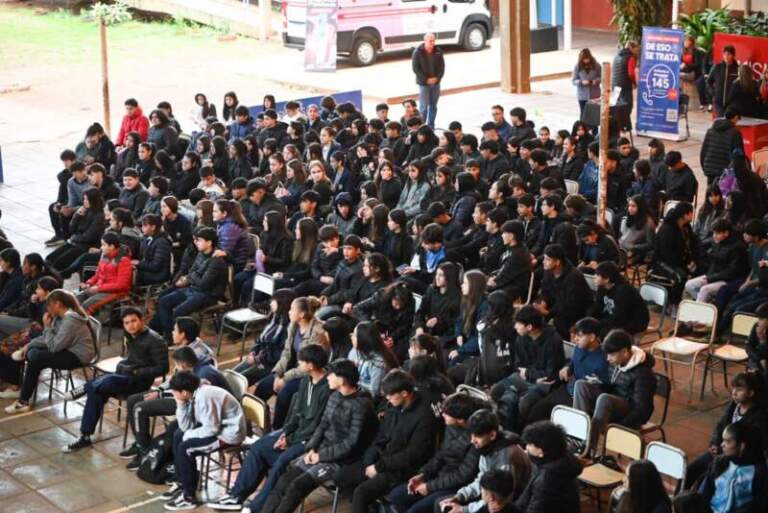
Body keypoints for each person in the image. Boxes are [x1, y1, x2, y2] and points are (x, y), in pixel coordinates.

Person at [209, 345, 331, 512]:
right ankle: (236, 496)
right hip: (295, 433)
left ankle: (257, 507)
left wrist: (289, 440)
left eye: (301, 362)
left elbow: (317, 425)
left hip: (311, 440)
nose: (298, 364)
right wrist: (285, 433)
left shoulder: (328, 389)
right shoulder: (305, 382)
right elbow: (296, 414)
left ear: (311, 365)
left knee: (281, 462)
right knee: (259, 447)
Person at [258, 359, 376, 513]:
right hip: (319, 452)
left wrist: (321, 456)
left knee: (297, 486)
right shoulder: (335, 396)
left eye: (331, 375)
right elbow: (323, 425)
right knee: (284, 480)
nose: (327, 377)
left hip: (339, 460)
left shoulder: (362, 405)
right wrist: (312, 448)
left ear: (341, 379)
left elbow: (350, 443)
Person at [334, 370, 439, 513]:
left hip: (402, 469)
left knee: (361, 493)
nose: (387, 399)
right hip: (382, 459)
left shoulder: (424, 416)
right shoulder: (394, 406)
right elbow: (381, 436)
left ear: (404, 393)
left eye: (390, 395)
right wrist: (370, 459)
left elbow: (414, 454)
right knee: (341, 477)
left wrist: (379, 467)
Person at [65, 306, 169, 452]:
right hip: (126, 377)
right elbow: (133, 358)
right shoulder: (130, 335)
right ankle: (85, 437)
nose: (130, 325)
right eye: (126, 323)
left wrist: (137, 371)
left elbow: (163, 368)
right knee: (97, 391)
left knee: (108, 380)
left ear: (142, 321)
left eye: (134, 321)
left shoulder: (155, 340)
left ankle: (84, 388)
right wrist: (124, 364)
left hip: (140, 383)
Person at [120, 344, 230, 470]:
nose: (175, 368)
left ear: (183, 364)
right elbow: (175, 380)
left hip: (191, 404)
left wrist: (160, 394)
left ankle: (145, 453)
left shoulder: (204, 374)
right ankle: (141, 444)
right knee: (132, 400)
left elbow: (188, 395)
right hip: (183, 397)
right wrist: (160, 390)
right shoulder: (190, 364)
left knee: (140, 409)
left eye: (177, 365)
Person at [1, 290, 95, 413]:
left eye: (49, 305)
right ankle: (23, 399)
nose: (47, 308)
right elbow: (47, 339)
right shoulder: (59, 317)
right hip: (66, 349)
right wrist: (29, 345)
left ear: (58, 304)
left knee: (35, 356)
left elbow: (54, 347)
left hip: (78, 356)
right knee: (34, 355)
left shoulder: (70, 320)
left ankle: (22, 398)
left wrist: (47, 327)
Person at [163, 371, 246, 511]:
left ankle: (189, 497)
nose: (173, 394)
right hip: (217, 427)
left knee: (186, 449)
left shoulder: (204, 396)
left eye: (174, 392)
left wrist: (189, 435)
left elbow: (211, 429)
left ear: (184, 392)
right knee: (178, 435)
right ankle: (182, 482)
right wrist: (180, 404)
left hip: (228, 434)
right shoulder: (193, 393)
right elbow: (185, 426)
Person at [388, 393, 482, 513]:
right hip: (440, 477)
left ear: (460, 419)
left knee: (415, 511)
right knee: (397, 495)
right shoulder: (451, 426)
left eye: (447, 413)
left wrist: (429, 486)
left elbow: (462, 476)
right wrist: (423, 474)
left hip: (457, 486)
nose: (442, 415)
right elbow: (441, 455)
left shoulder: (477, 437)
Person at [573, 329, 656, 449]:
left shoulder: (643, 374)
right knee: (581, 385)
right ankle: (578, 436)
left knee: (604, 398)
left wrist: (617, 426)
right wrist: (599, 384)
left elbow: (643, 410)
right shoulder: (616, 362)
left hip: (630, 412)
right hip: (612, 403)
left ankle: (589, 447)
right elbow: (613, 387)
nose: (607, 359)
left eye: (611, 355)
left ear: (624, 352)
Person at [437, 409, 531, 513]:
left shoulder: (505, 458)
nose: (472, 441)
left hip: (510, 504)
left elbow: (500, 500)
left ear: (492, 435)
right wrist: (460, 496)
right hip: (491, 495)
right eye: (471, 435)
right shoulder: (487, 447)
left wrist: (464, 509)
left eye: (477, 436)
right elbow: (482, 480)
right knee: (441, 503)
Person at [255, 296, 329, 429]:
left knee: (284, 395)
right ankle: (264, 426)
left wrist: (285, 378)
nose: (288, 312)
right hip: (292, 369)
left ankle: (277, 429)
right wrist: (278, 373)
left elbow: (310, 365)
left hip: (309, 373)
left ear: (302, 314)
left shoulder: (318, 331)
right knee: (261, 389)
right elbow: (286, 352)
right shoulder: (293, 325)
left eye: (292, 309)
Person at [686, 372, 768, 488]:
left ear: (751, 393)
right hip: (722, 450)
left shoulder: (759, 418)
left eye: (739, 389)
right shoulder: (734, 405)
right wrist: (715, 442)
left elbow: (753, 448)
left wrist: (725, 452)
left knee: (704, 481)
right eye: (733, 388)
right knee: (690, 470)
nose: (734, 392)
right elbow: (721, 425)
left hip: (737, 460)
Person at [491, 306, 564, 431]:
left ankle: (519, 433)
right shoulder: (521, 337)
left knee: (524, 404)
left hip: (545, 383)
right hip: (526, 377)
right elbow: (518, 364)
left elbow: (551, 373)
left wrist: (529, 374)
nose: (515, 327)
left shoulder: (554, 340)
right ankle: (508, 428)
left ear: (529, 327)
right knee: (496, 391)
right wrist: (528, 374)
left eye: (518, 324)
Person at [149, 227, 228, 342]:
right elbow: (191, 271)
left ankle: (169, 337)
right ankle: (167, 334)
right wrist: (193, 276)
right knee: (164, 301)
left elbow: (203, 284)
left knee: (178, 312)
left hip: (207, 295)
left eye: (199, 240)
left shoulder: (216, 261)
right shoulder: (201, 253)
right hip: (193, 289)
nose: (196, 242)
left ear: (209, 242)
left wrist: (191, 276)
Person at [527, 317, 610, 423]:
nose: (575, 339)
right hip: (567, 389)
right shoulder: (579, 347)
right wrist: (568, 368)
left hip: (581, 400)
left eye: (579, 336)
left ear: (592, 337)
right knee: (537, 411)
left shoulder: (605, 359)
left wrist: (597, 384)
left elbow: (606, 388)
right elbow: (573, 362)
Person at [698, 421, 768, 513]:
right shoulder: (719, 463)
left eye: (727, 441)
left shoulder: (758, 473)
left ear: (742, 446)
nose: (722, 445)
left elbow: (760, 506)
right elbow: (704, 492)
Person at [515, 421, 582, 513]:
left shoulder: (547, 479)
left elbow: (536, 509)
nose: (526, 447)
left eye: (530, 444)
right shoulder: (562, 457)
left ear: (541, 451)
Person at [535, 244, 593, 338]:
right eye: (544, 258)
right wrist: (544, 302)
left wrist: (548, 312)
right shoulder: (548, 271)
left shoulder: (574, 276)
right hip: (558, 305)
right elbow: (546, 290)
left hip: (577, 311)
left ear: (557, 262)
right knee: (533, 314)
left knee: (560, 322)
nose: (544, 262)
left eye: (548, 259)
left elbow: (570, 304)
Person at [684, 218, 748, 304]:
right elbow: (703, 247)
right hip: (713, 275)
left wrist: (711, 278)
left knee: (704, 290)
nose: (714, 236)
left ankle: (699, 313)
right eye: (714, 233)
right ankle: (709, 306)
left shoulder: (737, 247)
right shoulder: (716, 241)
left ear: (726, 233)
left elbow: (732, 271)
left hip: (728, 280)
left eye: (717, 233)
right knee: (689, 285)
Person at [75, 232, 133, 316]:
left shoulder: (124, 260)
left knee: (86, 305)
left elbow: (122, 285)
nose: (101, 248)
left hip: (116, 292)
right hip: (101, 288)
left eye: (103, 245)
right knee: (76, 300)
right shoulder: (104, 256)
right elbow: (97, 274)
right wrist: (88, 283)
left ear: (112, 246)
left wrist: (99, 288)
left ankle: (87, 327)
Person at [588, 261, 649, 337]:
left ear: (607, 279)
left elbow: (618, 318)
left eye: (597, 275)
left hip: (634, 322)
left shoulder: (624, 291)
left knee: (602, 333)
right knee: (587, 325)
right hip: (615, 317)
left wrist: (598, 323)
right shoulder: (603, 287)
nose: (594, 277)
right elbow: (597, 306)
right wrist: (589, 319)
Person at [348, 321, 399, 397]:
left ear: (363, 339)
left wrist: (354, 384)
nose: (351, 337)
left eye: (355, 335)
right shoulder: (355, 351)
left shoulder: (379, 362)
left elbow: (374, 392)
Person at [700, 108, 744, 185]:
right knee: (723, 194)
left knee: (711, 193)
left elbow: (703, 152)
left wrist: (705, 168)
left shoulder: (710, 130)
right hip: (725, 172)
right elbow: (738, 155)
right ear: (736, 117)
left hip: (709, 169)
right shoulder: (735, 133)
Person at [412, 33, 444, 128]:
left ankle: (431, 125)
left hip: (436, 83)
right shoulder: (418, 52)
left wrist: (437, 78)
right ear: (425, 41)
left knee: (433, 106)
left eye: (434, 41)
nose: (432, 43)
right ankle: (422, 126)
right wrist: (426, 79)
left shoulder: (438, 51)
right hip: (423, 84)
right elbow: (416, 69)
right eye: (430, 41)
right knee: (424, 107)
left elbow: (442, 67)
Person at [708, 44, 740, 117]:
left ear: (733, 55)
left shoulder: (737, 69)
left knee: (728, 122)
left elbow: (740, 86)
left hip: (731, 103)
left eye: (729, 54)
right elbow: (709, 81)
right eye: (724, 54)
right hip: (718, 101)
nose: (726, 56)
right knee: (721, 120)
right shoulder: (717, 67)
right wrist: (713, 93)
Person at [612, 41, 639, 115]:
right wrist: (634, 83)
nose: (636, 52)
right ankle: (623, 125)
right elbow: (631, 73)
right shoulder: (630, 57)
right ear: (631, 47)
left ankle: (614, 124)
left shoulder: (617, 55)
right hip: (625, 87)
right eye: (636, 50)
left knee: (614, 105)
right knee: (627, 107)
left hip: (615, 85)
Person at [572, 48, 601, 115]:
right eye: (584, 59)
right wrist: (581, 82)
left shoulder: (596, 65)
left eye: (587, 58)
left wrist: (596, 81)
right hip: (582, 96)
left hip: (594, 95)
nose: (586, 60)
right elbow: (573, 81)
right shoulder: (577, 66)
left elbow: (601, 77)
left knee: (594, 114)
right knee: (584, 114)